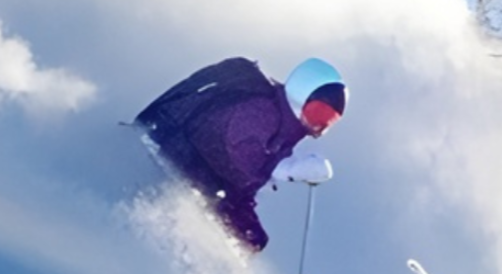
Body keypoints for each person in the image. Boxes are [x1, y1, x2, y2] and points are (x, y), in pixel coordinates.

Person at [135, 54, 346, 252]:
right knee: (245, 234)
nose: (318, 126)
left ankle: (216, 269)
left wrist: (242, 210)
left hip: (207, 180)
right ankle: (170, 249)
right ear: (300, 96)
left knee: (253, 239)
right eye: (318, 113)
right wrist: (287, 169)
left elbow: (247, 182)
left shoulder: (287, 134)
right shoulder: (263, 109)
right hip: (179, 154)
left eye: (327, 121)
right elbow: (235, 151)